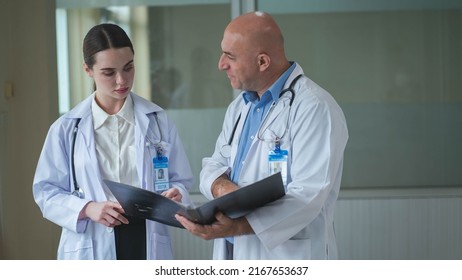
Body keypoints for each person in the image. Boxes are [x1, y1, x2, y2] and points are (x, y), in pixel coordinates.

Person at [175, 11, 348, 260]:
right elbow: (214, 164)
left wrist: (238, 225)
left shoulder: (315, 107)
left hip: (287, 257)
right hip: (236, 253)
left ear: (263, 62)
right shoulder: (240, 106)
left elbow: (308, 196)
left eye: (230, 57)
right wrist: (222, 187)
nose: (221, 64)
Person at [33, 23, 193, 260]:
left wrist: (176, 194)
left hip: (146, 237)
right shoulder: (67, 128)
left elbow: (180, 180)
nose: (122, 80)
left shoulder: (158, 120)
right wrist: (88, 208)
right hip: (93, 238)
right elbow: (46, 192)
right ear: (88, 70)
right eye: (109, 72)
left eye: (128, 68)